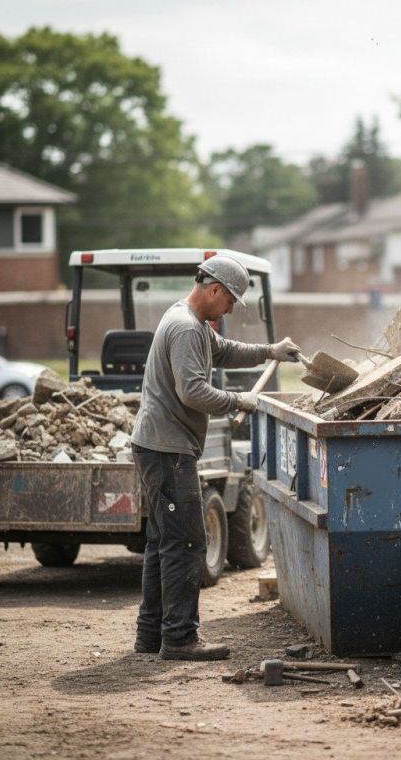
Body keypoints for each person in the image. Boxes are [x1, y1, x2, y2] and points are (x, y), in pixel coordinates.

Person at [131, 254, 299, 660]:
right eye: (230, 301)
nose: (230, 308)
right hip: (168, 451)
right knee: (187, 543)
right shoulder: (186, 329)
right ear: (214, 289)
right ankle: (180, 639)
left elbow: (224, 351)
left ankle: (150, 635)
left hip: (158, 446)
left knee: (162, 542)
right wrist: (242, 400)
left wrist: (270, 351)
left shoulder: (192, 323)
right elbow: (193, 392)